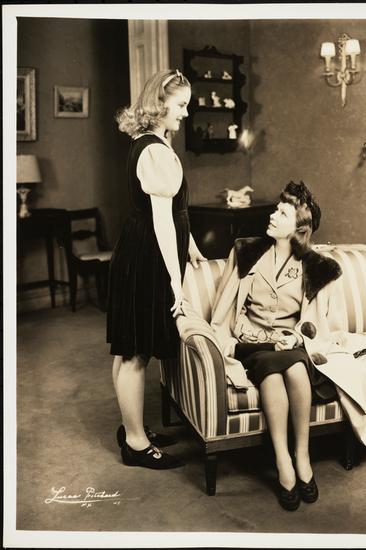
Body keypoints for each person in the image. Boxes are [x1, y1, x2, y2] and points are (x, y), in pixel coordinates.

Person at [209, 180, 366, 510]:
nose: (272, 215)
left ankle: (302, 456)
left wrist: (295, 337)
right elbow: (227, 308)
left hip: (292, 345)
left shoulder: (315, 267)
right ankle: (283, 461)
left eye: (282, 213)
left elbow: (317, 323)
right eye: (276, 210)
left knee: (294, 367)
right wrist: (244, 338)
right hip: (254, 344)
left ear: (298, 228)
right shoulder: (247, 251)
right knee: (272, 367)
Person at [107, 69, 206, 470]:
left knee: (128, 348)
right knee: (136, 353)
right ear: (159, 103)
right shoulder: (156, 152)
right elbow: (162, 222)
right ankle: (135, 442)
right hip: (148, 257)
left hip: (137, 252)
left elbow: (171, 212)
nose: (185, 113)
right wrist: (175, 283)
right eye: (180, 105)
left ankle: (133, 428)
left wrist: (191, 245)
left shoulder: (146, 143)